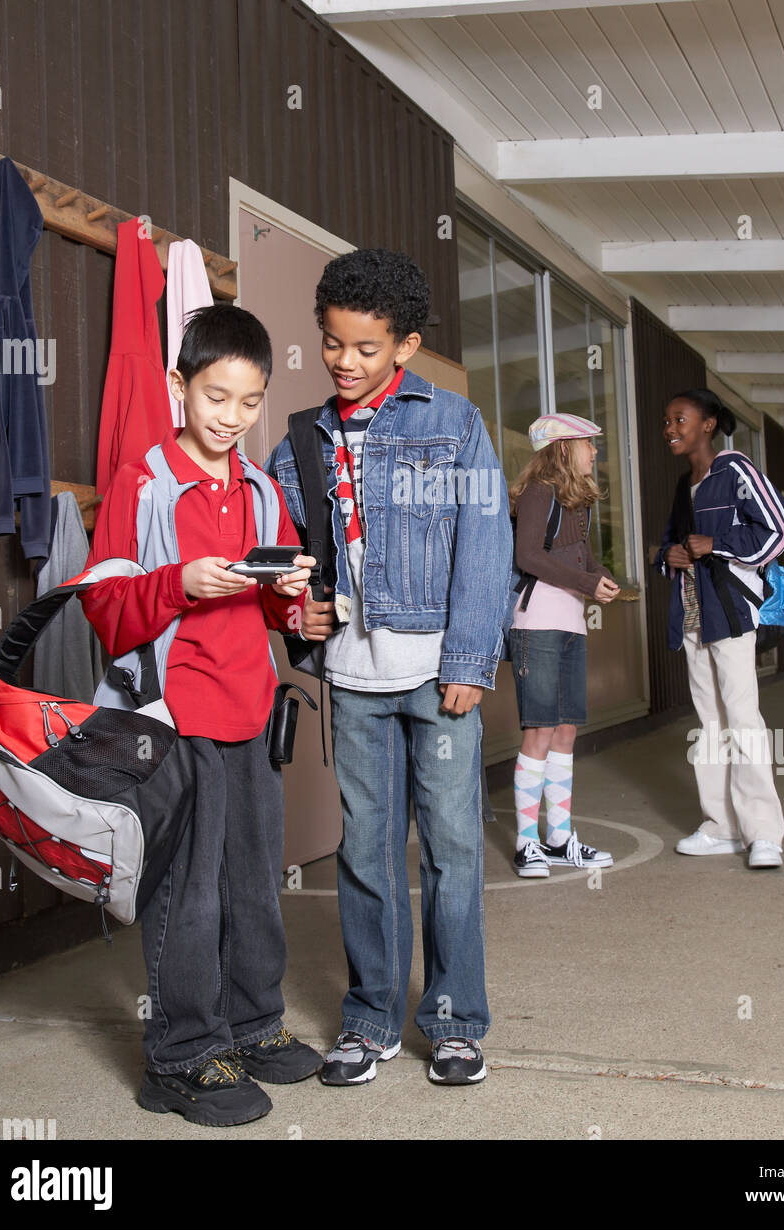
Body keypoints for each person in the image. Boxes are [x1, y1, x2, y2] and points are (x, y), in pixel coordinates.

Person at [265, 248, 512, 1088]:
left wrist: (471, 662)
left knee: (450, 851)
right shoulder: (299, 441)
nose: (345, 361)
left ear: (404, 346)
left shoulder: (454, 424)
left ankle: (452, 1022)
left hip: (438, 674)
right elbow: (295, 567)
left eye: (366, 348)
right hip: (353, 680)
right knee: (366, 854)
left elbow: (486, 546)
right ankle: (368, 1018)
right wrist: (299, 615)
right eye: (333, 343)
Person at [82, 304, 324, 1127]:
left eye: (249, 402)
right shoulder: (141, 484)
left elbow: (273, 603)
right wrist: (181, 583)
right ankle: (181, 1057)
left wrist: (293, 604)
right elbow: (107, 610)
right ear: (178, 385)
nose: (231, 418)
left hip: (249, 711)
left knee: (252, 881)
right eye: (215, 397)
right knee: (186, 893)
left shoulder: (258, 488)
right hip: (169, 719)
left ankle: (251, 1026)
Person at [655, 389, 784, 869]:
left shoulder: (735, 470)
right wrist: (666, 556)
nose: (670, 428)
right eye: (667, 421)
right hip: (692, 615)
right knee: (709, 725)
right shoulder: (683, 485)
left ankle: (763, 834)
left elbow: (779, 528)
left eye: (680, 419)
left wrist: (717, 543)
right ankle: (721, 827)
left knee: (743, 719)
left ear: (708, 424)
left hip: (729, 614)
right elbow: (674, 543)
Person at [507, 415, 620, 878]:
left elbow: (581, 557)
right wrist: (586, 581)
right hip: (537, 624)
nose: (594, 453)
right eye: (587, 445)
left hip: (571, 624)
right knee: (539, 730)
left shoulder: (577, 502)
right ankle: (526, 843)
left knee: (567, 731)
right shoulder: (540, 494)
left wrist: (601, 579)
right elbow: (527, 556)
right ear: (561, 449)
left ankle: (559, 839)